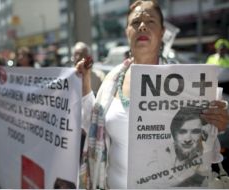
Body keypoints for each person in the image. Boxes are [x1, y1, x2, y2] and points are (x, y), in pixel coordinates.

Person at [76, 0, 229, 189]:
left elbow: (206, 149)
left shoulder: (186, 83)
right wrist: (85, 82)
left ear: (162, 32)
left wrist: (217, 121)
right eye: (135, 22)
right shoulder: (112, 81)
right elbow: (93, 126)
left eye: (150, 22)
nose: (142, 26)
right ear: (127, 32)